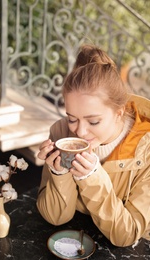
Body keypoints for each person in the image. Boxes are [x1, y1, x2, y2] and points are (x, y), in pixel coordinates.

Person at [36, 44, 150, 247]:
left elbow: (127, 235)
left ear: (119, 113)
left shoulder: (146, 148)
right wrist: (59, 174)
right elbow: (55, 218)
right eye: (72, 118)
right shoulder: (61, 133)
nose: (79, 132)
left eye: (93, 121)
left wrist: (91, 178)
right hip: (77, 238)